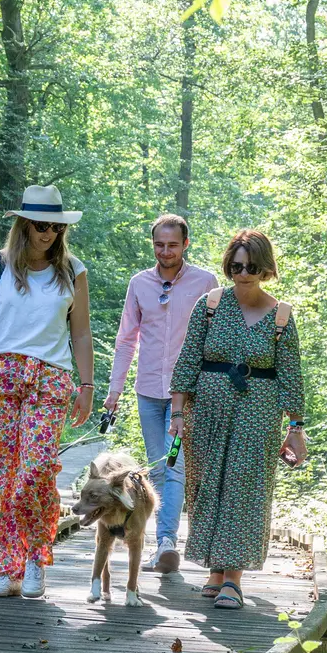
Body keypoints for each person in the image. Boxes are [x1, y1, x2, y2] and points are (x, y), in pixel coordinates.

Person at [0, 185, 96, 599]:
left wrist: (86, 385)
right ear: (23, 224)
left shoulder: (73, 271)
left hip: (49, 378)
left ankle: (35, 557)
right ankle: (6, 568)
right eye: (40, 224)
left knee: (33, 474)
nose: (48, 232)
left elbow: (82, 332)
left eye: (56, 225)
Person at [168, 229, 307, 610]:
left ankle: (233, 578)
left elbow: (291, 375)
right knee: (207, 486)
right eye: (236, 266)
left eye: (251, 266)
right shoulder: (209, 305)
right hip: (207, 410)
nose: (243, 273)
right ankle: (214, 570)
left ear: (266, 269)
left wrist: (296, 430)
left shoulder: (281, 316)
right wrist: (178, 413)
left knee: (245, 488)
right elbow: (187, 362)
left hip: (258, 412)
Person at [103, 214, 219, 574]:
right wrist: (113, 392)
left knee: (175, 466)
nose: (165, 251)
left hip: (189, 394)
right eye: (159, 244)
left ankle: (166, 541)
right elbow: (126, 340)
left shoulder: (206, 282)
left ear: (186, 244)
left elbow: (215, 340)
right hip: (149, 391)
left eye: (172, 244)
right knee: (157, 468)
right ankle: (162, 542)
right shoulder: (139, 284)